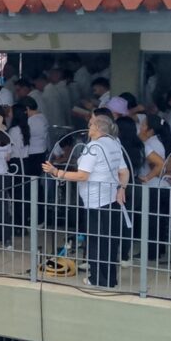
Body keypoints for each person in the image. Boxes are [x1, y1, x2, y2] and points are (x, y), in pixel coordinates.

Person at [44, 114, 129, 289]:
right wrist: (122, 188)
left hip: (95, 200)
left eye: (90, 125)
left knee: (96, 241)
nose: (88, 128)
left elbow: (83, 175)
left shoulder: (94, 147)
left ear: (98, 128)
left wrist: (56, 172)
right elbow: (124, 171)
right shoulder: (114, 143)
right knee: (109, 241)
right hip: (111, 197)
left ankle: (98, 279)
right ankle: (110, 279)